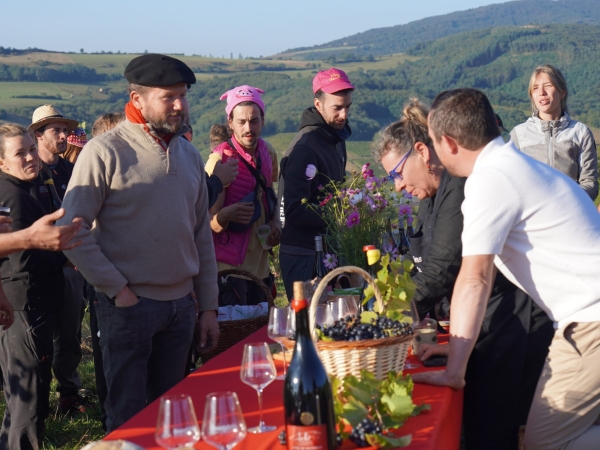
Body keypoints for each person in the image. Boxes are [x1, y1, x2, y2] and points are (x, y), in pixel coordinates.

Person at [413, 88, 600, 450]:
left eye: (434, 142)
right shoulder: (515, 166)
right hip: (586, 320)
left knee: (545, 443)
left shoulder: (491, 179)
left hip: (590, 324)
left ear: (449, 143)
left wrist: (455, 373)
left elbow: (475, 278)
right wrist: (456, 348)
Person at [373, 99, 554, 449]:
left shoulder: (463, 188)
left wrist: (389, 317)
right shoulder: (434, 195)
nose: (395, 186)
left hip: (516, 324)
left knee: (502, 432)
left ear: (422, 151)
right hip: (494, 322)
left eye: (396, 173)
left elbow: (447, 270)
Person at [57, 53, 220, 432]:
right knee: (128, 422)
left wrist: (208, 306)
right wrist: (118, 291)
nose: (180, 105)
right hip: (128, 309)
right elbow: (71, 230)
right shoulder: (105, 152)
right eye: (169, 97)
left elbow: (201, 236)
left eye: (183, 95)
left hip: (182, 308)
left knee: (174, 419)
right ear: (137, 99)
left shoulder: (190, 154)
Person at [0, 123, 70, 449]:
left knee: (21, 399)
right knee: (29, 402)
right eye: (20, 153)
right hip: (26, 305)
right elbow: (20, 260)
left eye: (31, 149)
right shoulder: (12, 197)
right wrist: (63, 254)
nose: (31, 158)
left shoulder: (23, 187)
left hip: (25, 305)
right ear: (2, 162)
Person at [29, 105, 89, 415]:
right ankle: (35, 401)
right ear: (38, 135)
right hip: (37, 269)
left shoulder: (72, 173)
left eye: (66, 129)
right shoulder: (25, 173)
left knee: (69, 334)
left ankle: (68, 392)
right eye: (57, 130)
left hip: (70, 267)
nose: (65, 136)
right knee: (37, 339)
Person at [278, 68, 354, 299]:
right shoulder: (305, 148)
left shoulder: (334, 139)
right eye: (337, 108)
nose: (344, 115)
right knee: (310, 327)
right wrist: (339, 213)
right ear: (318, 105)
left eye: (348, 107)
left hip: (326, 250)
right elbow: (294, 210)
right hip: (303, 255)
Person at [206, 85, 280, 306]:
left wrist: (277, 223)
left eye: (254, 120)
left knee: (261, 335)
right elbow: (207, 224)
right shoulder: (218, 162)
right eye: (241, 122)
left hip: (261, 269)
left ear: (263, 121)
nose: (249, 128)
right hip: (229, 272)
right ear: (230, 123)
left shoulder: (269, 153)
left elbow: (272, 195)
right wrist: (227, 215)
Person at [510, 64, 598, 200]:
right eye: (535, 88)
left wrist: (567, 201)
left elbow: (589, 183)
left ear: (562, 92)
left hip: (570, 215)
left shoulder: (580, 132)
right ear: (532, 95)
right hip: (533, 217)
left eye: (548, 86)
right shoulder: (518, 134)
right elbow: (511, 183)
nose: (541, 92)